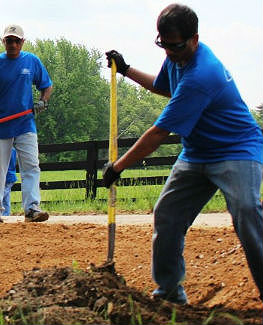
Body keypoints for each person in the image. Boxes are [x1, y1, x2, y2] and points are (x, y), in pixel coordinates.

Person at [103, 3, 262, 305]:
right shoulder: (176, 59)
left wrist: (119, 166)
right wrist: (126, 70)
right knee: (167, 215)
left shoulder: (203, 74)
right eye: (163, 45)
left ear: (194, 39)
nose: (169, 53)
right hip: (198, 152)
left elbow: (159, 134)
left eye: (175, 46)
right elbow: (164, 87)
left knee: (246, 213)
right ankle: (170, 293)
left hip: (237, 149)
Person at [0, 24, 53, 223]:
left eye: (16, 40)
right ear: (3, 41)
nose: (12, 44)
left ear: (22, 42)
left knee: (31, 166)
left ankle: (32, 209)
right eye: (9, 40)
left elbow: (46, 86)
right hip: (0, 125)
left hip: (25, 124)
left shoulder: (32, 61)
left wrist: (43, 101)